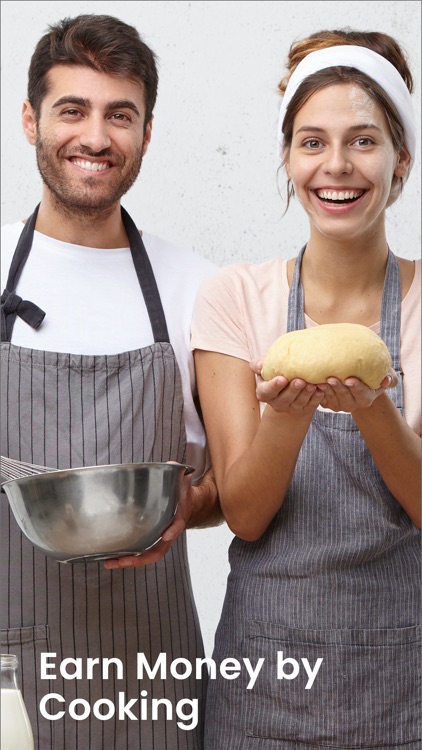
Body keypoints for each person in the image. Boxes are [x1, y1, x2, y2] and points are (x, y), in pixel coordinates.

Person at [192, 29, 420, 750]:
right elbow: (247, 515)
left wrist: (374, 407)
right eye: (313, 142)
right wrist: (286, 420)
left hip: (400, 679)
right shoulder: (235, 298)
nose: (338, 165)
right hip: (262, 680)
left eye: (364, 140)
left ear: (401, 161)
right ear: (288, 159)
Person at [0, 14, 221, 750]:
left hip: (149, 675)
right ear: (31, 118)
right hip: (8, 667)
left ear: (147, 133)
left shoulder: (197, 288)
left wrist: (190, 505)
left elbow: (231, 483)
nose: (95, 137)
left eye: (119, 115)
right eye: (72, 109)